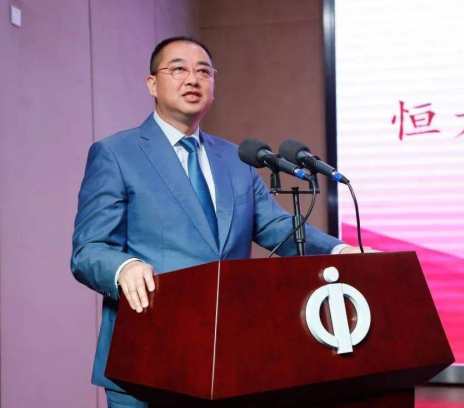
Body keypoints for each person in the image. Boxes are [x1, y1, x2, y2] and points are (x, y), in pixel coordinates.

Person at [71, 36, 361, 407]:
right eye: (178, 69)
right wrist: (123, 266)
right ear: (152, 84)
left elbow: (274, 226)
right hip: (148, 356)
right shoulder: (116, 154)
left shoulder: (236, 158)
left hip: (229, 357)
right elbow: (88, 249)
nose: (192, 79)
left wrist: (339, 250)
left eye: (203, 71)